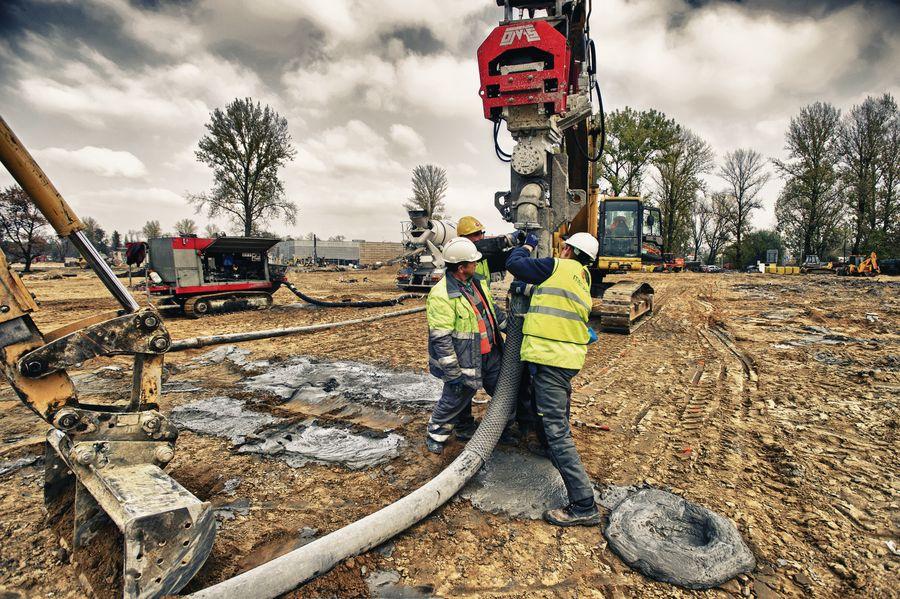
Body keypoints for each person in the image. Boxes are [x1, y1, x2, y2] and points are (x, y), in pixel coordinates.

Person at [506, 231, 601, 526]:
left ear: (570, 251)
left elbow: (515, 263)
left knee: (558, 430)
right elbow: (552, 298)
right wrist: (526, 291)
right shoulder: (581, 277)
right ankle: (546, 447)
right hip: (565, 360)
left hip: (551, 361)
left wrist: (526, 246)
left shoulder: (557, 267)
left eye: (564, 249)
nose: (561, 252)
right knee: (552, 415)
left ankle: (584, 504)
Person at [425, 237, 506, 454]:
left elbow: (491, 311)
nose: (476, 265)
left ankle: (501, 428)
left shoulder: (476, 283)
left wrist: (509, 324)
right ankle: (436, 433)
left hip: (490, 354)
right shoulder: (441, 296)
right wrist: (453, 373)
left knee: (503, 392)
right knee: (455, 397)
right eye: (473, 263)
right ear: (461, 268)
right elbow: (441, 339)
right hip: (464, 359)